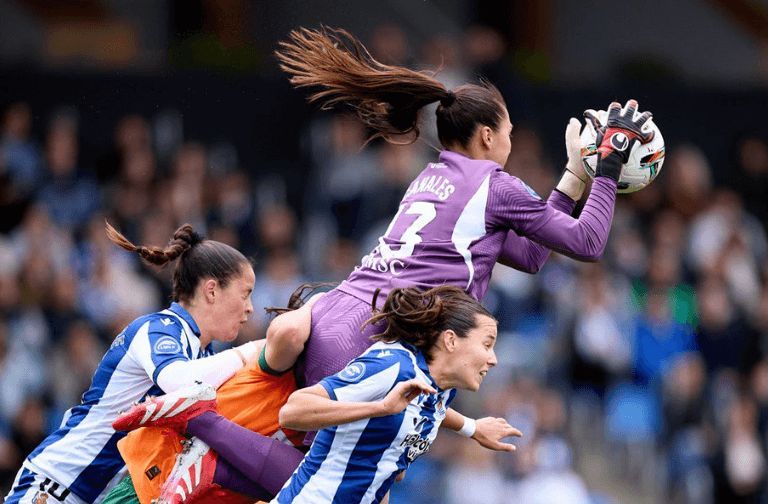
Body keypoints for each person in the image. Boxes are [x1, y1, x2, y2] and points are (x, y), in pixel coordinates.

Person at [116, 25, 654, 502]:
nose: (511, 143)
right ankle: (207, 447)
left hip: (337, 316)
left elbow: (531, 255)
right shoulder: (494, 184)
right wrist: (604, 168)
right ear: (488, 136)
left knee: (354, 475)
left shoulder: (431, 177)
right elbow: (587, 243)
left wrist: (576, 175)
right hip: (375, 335)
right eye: (509, 132)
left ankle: (209, 443)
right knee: (345, 476)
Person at [106, 284, 518, 504]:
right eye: (487, 344)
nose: (494, 358)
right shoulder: (393, 366)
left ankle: (208, 448)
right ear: (450, 340)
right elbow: (295, 410)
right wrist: (379, 407)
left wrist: (472, 428)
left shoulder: (437, 391)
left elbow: (427, 411)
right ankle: (200, 421)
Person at [3, 223, 261, 504]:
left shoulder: (205, 358)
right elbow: (180, 382)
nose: (250, 307)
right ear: (211, 291)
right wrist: (252, 350)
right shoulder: (158, 329)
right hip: (56, 486)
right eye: (245, 293)